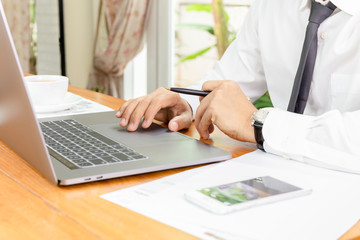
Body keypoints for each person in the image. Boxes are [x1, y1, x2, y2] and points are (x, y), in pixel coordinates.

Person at [116, 0, 360, 172]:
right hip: (278, 174)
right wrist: (187, 103)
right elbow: (232, 76)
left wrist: (258, 125)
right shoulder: (272, 5)